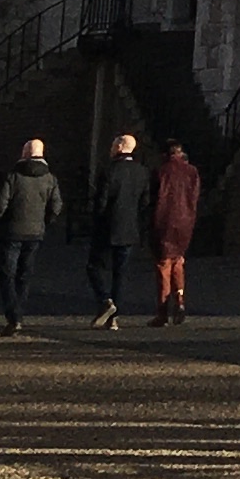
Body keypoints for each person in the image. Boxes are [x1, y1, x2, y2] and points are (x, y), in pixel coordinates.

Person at [87, 131, 149, 331]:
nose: (111, 149)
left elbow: (101, 202)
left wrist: (95, 221)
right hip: (129, 229)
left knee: (94, 267)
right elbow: (145, 202)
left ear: (120, 147)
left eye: (113, 145)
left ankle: (105, 300)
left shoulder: (109, 171)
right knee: (120, 274)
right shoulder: (141, 172)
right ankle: (114, 319)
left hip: (108, 228)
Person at [2, 139, 63, 334]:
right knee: (25, 274)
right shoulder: (50, 178)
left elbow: (1, 205)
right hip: (36, 232)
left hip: (12, 231)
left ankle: (13, 314)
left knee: (7, 274)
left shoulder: (13, 177)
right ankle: (19, 312)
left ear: (25, 153)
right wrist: (45, 221)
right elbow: (56, 205)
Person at [148, 139, 202, 327]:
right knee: (178, 261)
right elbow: (194, 197)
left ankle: (162, 312)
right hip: (186, 222)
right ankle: (180, 300)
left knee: (163, 265)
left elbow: (153, 200)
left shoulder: (161, 171)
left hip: (164, 221)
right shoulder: (192, 172)